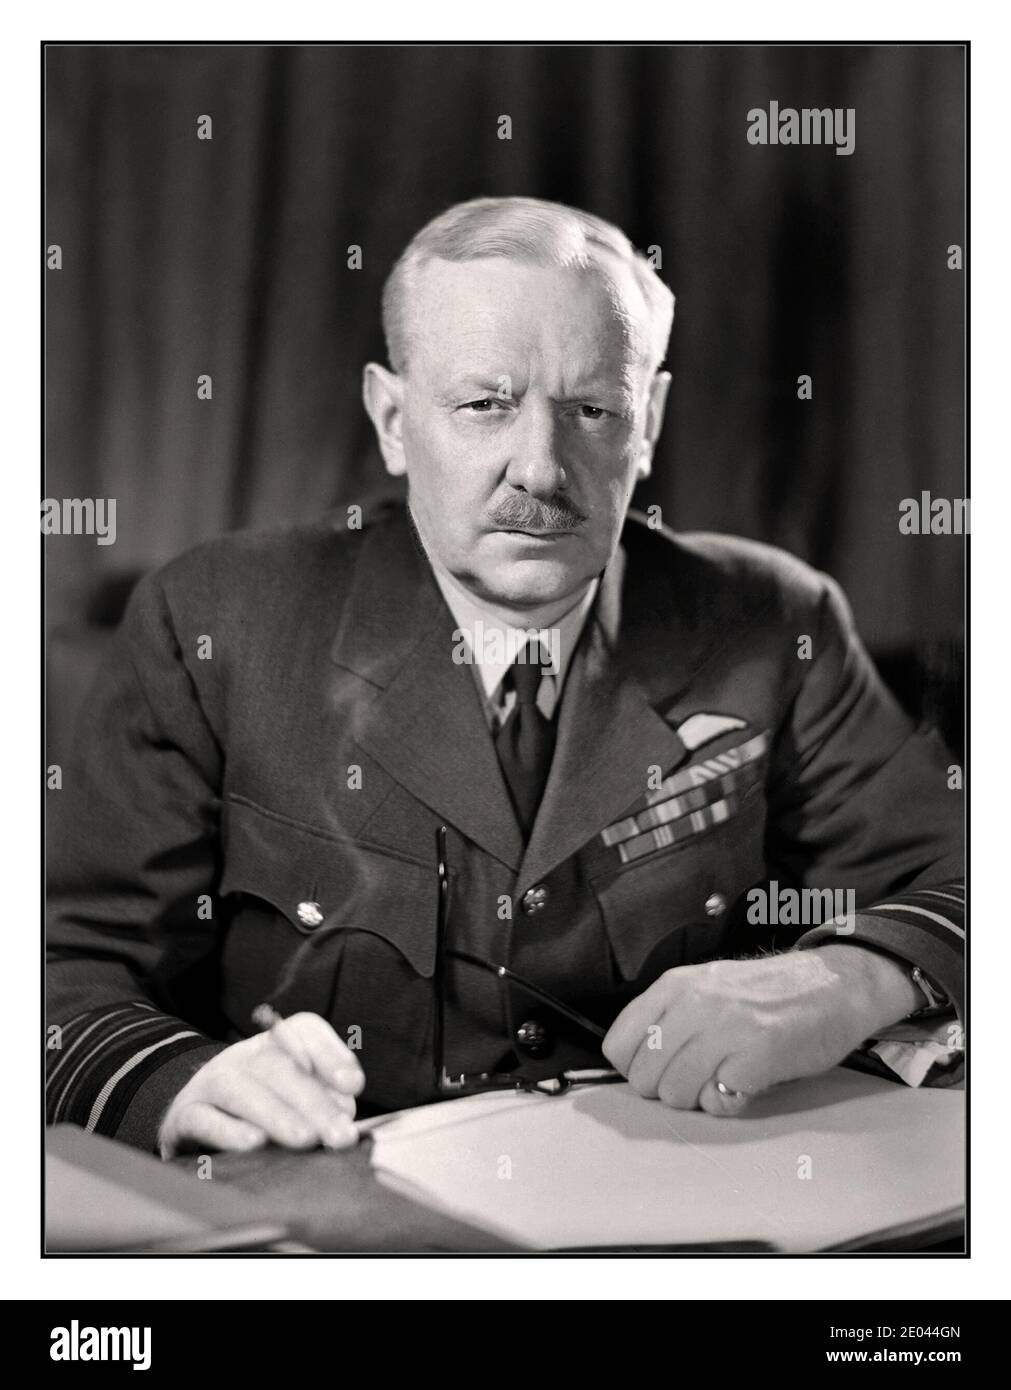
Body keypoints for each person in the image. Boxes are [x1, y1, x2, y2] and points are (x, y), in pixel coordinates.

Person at [47, 196, 963, 1159]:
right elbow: (62, 969)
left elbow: (964, 877)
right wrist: (180, 1081)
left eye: (592, 409)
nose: (541, 467)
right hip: (340, 1223)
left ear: (645, 422)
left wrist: (849, 980)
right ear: (394, 421)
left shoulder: (773, 621)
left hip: (683, 1203)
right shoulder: (214, 622)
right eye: (485, 403)